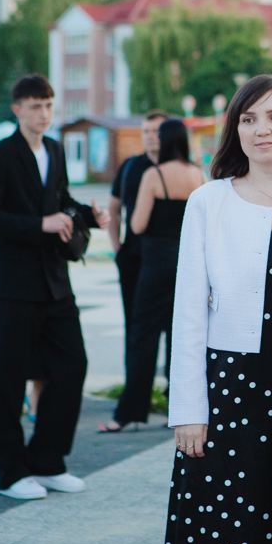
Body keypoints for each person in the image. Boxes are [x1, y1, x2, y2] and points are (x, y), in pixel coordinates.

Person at [164, 74, 272, 544]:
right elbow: (188, 312)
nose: (263, 130)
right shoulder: (209, 201)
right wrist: (188, 410)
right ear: (234, 130)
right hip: (233, 390)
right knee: (229, 525)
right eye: (249, 119)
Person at [0, 74, 109, 500]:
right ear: (17, 109)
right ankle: (11, 472)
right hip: (13, 285)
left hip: (55, 283)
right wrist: (40, 225)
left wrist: (89, 216)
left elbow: (60, 200)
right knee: (11, 380)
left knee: (72, 366)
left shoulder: (54, 149)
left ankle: (48, 461)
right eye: (35, 106)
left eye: (49, 105)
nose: (44, 113)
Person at [100, 118, 203, 433]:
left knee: (142, 337)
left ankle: (129, 411)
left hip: (155, 264)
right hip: (186, 265)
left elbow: (137, 224)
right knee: (180, 337)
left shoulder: (154, 175)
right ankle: (178, 409)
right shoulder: (198, 175)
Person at [108, 110, 167, 353]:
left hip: (167, 260)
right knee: (134, 326)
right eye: (146, 132)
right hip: (133, 257)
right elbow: (113, 208)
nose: (151, 136)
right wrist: (117, 248)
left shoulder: (181, 168)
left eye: (156, 131)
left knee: (173, 325)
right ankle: (135, 376)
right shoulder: (130, 166)